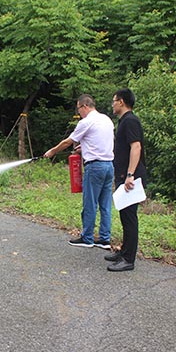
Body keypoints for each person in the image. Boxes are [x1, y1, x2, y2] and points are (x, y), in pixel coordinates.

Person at [44, 94, 115, 249]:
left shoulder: (86, 122)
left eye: (79, 109)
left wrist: (52, 151)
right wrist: (84, 147)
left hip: (94, 167)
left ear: (85, 106)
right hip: (109, 166)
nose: (78, 113)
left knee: (90, 203)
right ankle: (104, 239)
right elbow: (101, 141)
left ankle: (87, 238)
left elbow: (68, 142)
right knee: (105, 205)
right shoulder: (106, 119)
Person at [105, 88, 147, 272]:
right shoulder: (124, 121)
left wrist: (130, 174)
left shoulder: (130, 121)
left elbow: (136, 147)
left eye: (114, 101)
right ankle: (124, 251)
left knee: (129, 217)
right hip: (123, 175)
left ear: (121, 102)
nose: (112, 104)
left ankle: (129, 259)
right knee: (124, 214)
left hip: (131, 177)